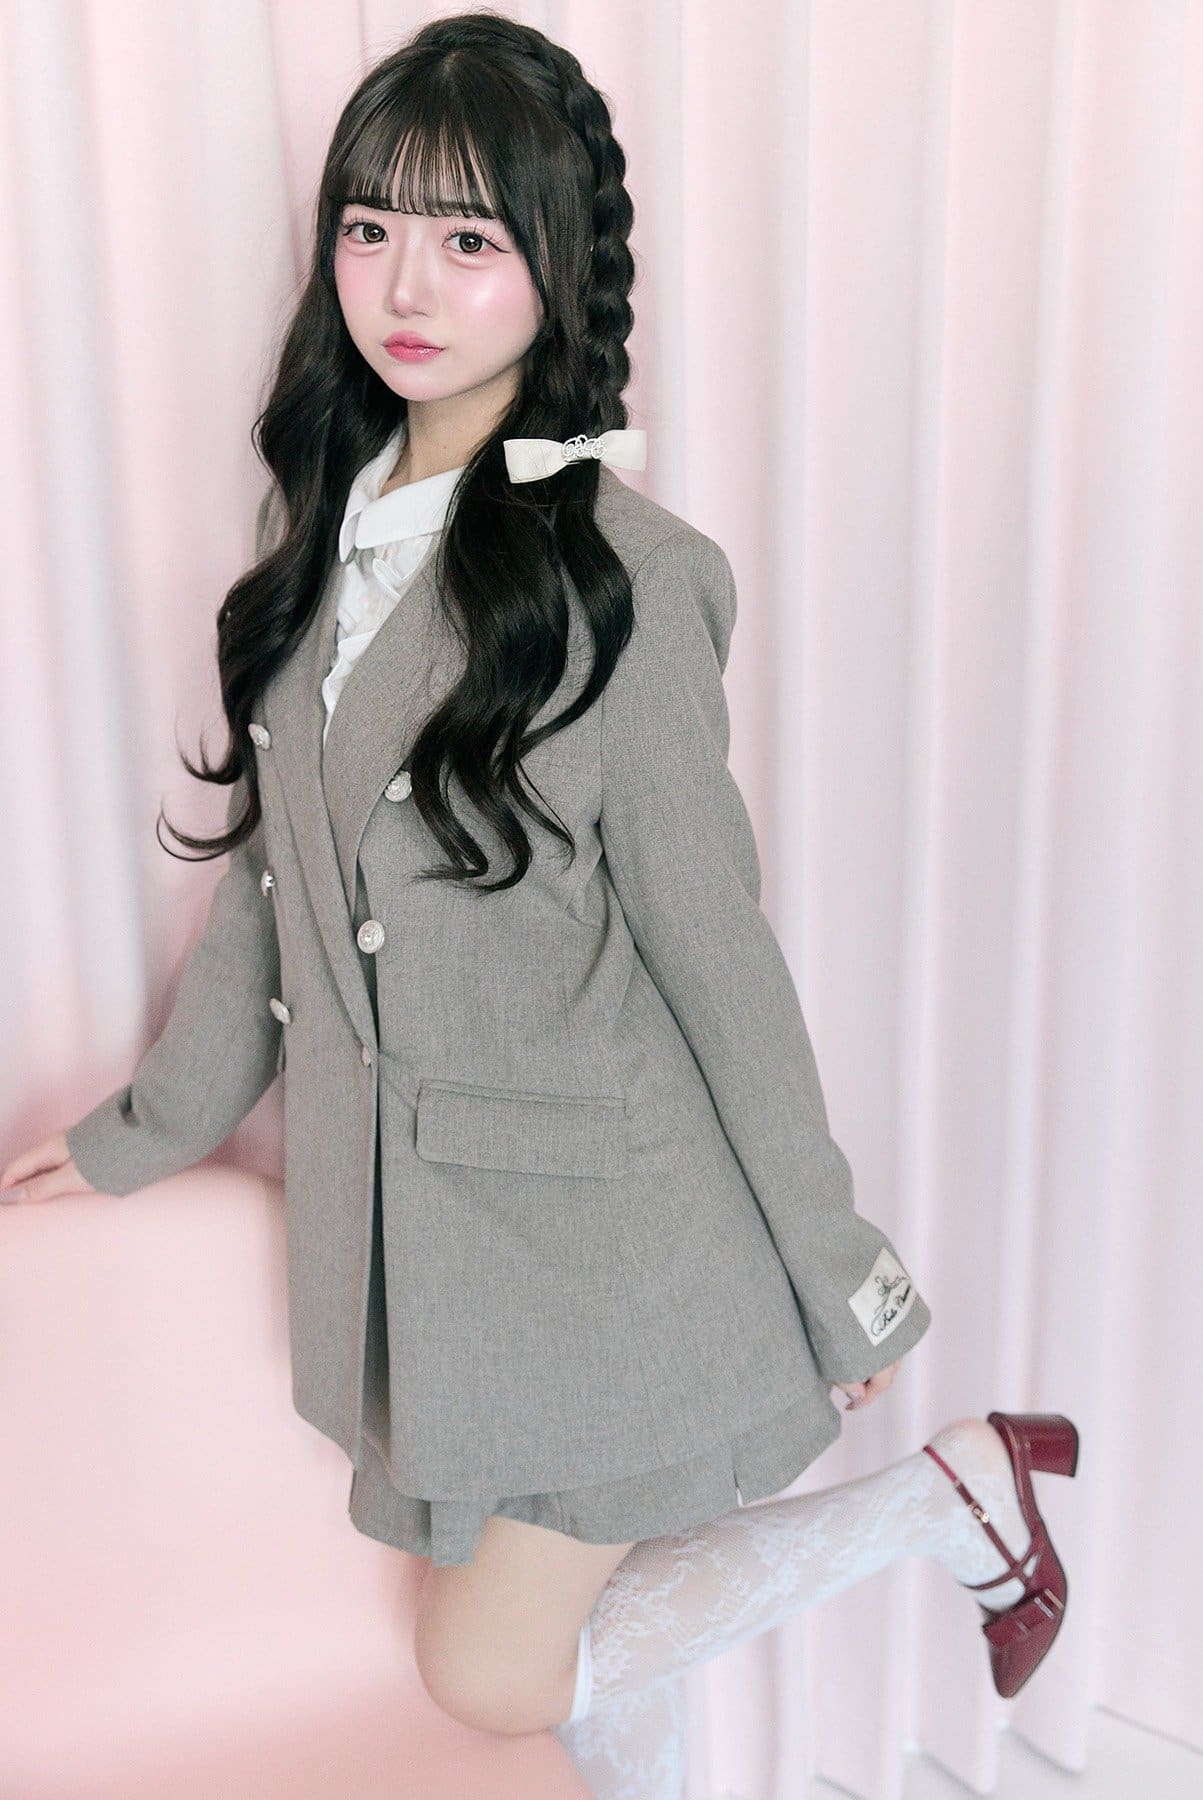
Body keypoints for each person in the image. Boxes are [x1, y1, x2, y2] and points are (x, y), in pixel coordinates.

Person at [0, 12, 1076, 1792]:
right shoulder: (323, 539)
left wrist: (845, 1278)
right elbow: (275, 889)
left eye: (469, 237)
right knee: (580, 1656)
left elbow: (715, 948)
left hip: (609, 1239)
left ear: (556, 263)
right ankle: (952, 1509)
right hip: (437, 1249)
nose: (406, 283)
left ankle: (955, 1499)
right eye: (370, 227)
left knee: (492, 1673)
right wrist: (144, 1130)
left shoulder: (626, 581)